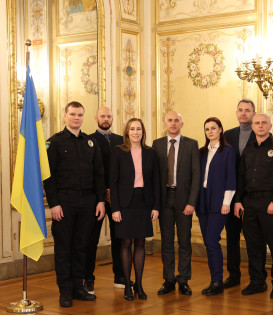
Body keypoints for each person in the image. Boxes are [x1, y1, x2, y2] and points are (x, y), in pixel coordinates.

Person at [44, 101, 105, 308]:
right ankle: (65, 291)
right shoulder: (54, 143)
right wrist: (53, 204)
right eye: (72, 114)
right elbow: (48, 177)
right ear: (65, 116)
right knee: (64, 249)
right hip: (64, 202)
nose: (76, 118)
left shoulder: (91, 143)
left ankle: (78, 287)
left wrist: (100, 201)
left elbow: (98, 175)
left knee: (82, 247)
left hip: (88, 202)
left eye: (80, 115)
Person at [234, 113, 273, 299]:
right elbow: (241, 177)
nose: (260, 126)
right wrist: (239, 200)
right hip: (249, 203)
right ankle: (257, 282)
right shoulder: (248, 150)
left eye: (263, 123)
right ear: (253, 126)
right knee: (253, 246)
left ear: (270, 126)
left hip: (270, 204)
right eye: (257, 123)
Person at [110, 118, 160, 301]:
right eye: (132, 129)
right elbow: (113, 182)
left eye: (138, 129)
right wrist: (115, 208)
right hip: (124, 204)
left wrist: (156, 206)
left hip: (144, 203)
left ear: (143, 132)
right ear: (127, 132)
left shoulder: (150, 153)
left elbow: (156, 181)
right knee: (125, 243)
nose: (135, 132)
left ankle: (139, 285)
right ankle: (127, 286)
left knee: (140, 243)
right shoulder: (118, 152)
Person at [153, 111, 200, 296]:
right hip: (164, 199)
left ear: (182, 123)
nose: (173, 123)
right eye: (170, 120)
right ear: (164, 123)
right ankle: (169, 279)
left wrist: (191, 202)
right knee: (166, 242)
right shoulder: (156, 145)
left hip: (184, 201)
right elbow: (152, 176)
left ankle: (183, 280)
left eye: (176, 120)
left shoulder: (191, 144)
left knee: (184, 241)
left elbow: (196, 176)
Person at [84, 107, 124, 295]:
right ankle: (88, 278)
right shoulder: (89, 140)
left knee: (119, 237)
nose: (106, 119)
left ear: (112, 118)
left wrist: (114, 191)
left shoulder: (120, 140)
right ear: (96, 118)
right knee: (91, 239)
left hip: (117, 197)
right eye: (102, 116)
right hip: (97, 198)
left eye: (109, 116)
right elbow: (89, 170)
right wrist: (102, 192)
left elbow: (126, 170)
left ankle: (120, 276)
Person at [197, 117, 236, 296]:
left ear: (220, 129)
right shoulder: (202, 152)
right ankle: (214, 279)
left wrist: (226, 202)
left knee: (212, 240)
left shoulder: (227, 150)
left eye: (213, 128)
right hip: (203, 200)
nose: (210, 131)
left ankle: (217, 281)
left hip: (219, 202)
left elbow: (230, 177)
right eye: (207, 129)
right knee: (208, 242)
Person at [222, 99, 256, 289]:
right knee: (232, 236)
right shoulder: (227, 135)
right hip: (232, 194)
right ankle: (233, 275)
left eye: (247, 110)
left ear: (253, 113)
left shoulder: (260, 133)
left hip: (251, 195)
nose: (244, 113)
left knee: (252, 237)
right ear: (236, 113)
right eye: (241, 110)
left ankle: (255, 276)